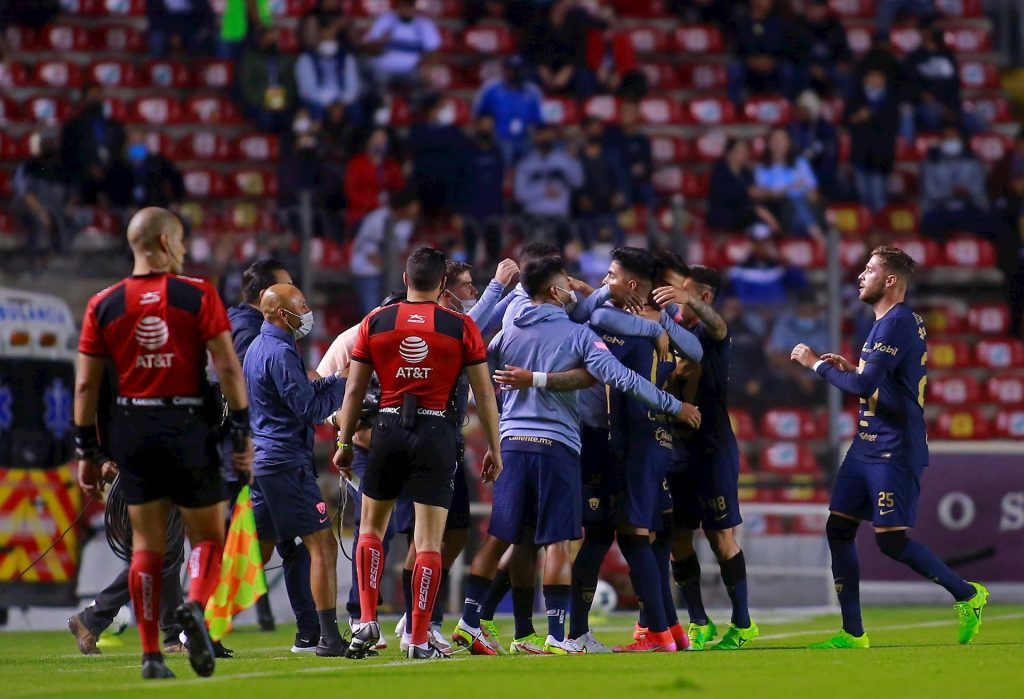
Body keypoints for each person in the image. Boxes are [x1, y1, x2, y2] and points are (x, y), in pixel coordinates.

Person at [473, 256, 696, 655]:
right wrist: (654, 331)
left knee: (525, 536)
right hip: (583, 439)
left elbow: (484, 351)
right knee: (570, 537)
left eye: (611, 275)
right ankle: (570, 633)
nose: (597, 282)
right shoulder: (588, 325)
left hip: (549, 437)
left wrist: (656, 321)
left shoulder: (526, 322)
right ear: (553, 288)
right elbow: (619, 370)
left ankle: (491, 624)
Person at [73, 207, 253, 680]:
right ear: (168, 243)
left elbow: (86, 388)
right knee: (208, 537)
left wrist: (86, 453)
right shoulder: (198, 295)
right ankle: (194, 605)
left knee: (148, 549)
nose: (187, 250)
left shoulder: (103, 304)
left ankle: (152, 655)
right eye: (183, 242)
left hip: (134, 431)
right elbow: (229, 368)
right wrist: (240, 431)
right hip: (187, 425)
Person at [790, 245, 989, 649]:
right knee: (839, 528)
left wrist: (816, 364)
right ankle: (852, 633)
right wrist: (855, 367)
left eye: (869, 269)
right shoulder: (891, 322)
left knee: (890, 540)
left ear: (890, 279)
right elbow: (878, 381)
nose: (860, 276)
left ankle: (969, 595)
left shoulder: (895, 323)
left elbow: (865, 388)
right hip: (866, 443)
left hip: (894, 446)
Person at [334, 246, 504, 660]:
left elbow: (354, 389)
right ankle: (419, 637)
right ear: (443, 284)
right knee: (429, 539)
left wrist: (343, 443)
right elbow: (483, 392)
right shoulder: (460, 325)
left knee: (372, 529)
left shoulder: (375, 321)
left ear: (406, 279)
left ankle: (366, 621)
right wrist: (495, 448)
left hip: (388, 427)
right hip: (436, 431)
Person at [390, 257, 518, 654]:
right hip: (417, 439)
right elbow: (477, 322)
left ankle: (421, 614)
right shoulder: (435, 325)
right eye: (467, 286)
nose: (474, 293)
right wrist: (499, 286)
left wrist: (517, 294)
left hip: (448, 442)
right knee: (422, 539)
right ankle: (416, 621)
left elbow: (484, 318)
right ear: (445, 291)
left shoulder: (458, 323)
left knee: (458, 531)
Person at [652, 264, 759, 651]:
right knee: (678, 537)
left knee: (719, 537)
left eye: (683, 291)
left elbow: (719, 327)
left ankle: (743, 623)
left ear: (704, 295)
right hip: (675, 448)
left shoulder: (711, 335)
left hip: (712, 447)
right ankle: (698, 621)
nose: (674, 297)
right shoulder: (668, 333)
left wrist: (688, 299)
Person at [243, 283, 348, 656]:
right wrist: (344, 384)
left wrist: (331, 381)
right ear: (280, 313)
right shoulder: (281, 351)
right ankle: (328, 638)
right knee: (322, 545)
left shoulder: (258, 347)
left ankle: (202, 624)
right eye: (301, 304)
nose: (307, 310)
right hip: (286, 462)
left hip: (265, 462)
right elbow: (308, 410)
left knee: (255, 550)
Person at [222, 259, 322, 649]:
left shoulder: (241, 329)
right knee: (312, 546)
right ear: (271, 299)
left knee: (258, 550)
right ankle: (316, 632)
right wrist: (327, 388)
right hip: (264, 454)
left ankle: (200, 623)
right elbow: (278, 394)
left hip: (254, 453)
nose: (301, 304)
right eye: (291, 293)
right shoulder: (259, 339)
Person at [68, 366, 185, 657]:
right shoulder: (114, 357)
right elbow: (89, 401)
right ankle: (93, 617)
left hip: (163, 460)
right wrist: (99, 456)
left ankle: (171, 633)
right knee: (161, 553)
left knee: (168, 551)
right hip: (140, 465)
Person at [349, 188, 420, 315]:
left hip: (389, 272)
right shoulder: (377, 219)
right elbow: (369, 253)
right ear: (404, 206)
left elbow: (400, 252)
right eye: (413, 206)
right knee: (371, 313)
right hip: (367, 270)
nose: (416, 209)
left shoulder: (407, 224)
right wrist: (392, 266)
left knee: (394, 310)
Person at [919, 122, 994, 240]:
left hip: (967, 206)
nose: (951, 140)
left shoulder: (972, 159)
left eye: (954, 137)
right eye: (947, 137)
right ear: (941, 140)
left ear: (961, 139)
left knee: (989, 222)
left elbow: (979, 189)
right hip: (940, 208)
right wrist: (950, 192)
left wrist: (967, 191)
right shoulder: (931, 160)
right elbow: (930, 192)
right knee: (929, 225)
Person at [513, 124, 582, 250]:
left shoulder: (565, 160)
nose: (545, 138)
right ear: (535, 138)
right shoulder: (527, 163)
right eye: (541, 135)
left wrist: (573, 160)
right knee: (537, 258)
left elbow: (577, 182)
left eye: (548, 135)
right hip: (535, 217)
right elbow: (519, 194)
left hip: (560, 218)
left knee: (560, 258)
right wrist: (543, 191)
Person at [10, 132, 70, 272]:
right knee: (37, 221)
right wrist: (41, 212)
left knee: (72, 218)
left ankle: (53, 256)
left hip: (52, 208)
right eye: (47, 145)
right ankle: (32, 262)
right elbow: (24, 193)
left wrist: (68, 205)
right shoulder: (28, 166)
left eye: (52, 145)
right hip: (28, 207)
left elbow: (68, 191)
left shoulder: (59, 168)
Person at [844, 68, 901, 213]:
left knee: (878, 196)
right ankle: (865, 232)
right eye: (873, 76)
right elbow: (846, 121)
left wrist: (872, 114)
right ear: (865, 79)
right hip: (860, 154)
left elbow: (892, 126)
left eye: (879, 77)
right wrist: (859, 117)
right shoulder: (856, 98)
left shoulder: (890, 100)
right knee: (862, 196)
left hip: (880, 157)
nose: (877, 80)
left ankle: (880, 231)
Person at [472, 55, 545, 166]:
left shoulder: (533, 91)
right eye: (511, 69)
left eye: (518, 69)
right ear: (504, 70)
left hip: (526, 138)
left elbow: (541, 120)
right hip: (498, 138)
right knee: (505, 149)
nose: (514, 72)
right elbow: (478, 114)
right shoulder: (491, 88)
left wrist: (536, 135)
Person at [754, 126, 824, 241]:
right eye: (775, 140)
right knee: (795, 201)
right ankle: (818, 237)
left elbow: (813, 191)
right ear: (769, 143)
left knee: (802, 203)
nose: (778, 143)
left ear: (788, 142)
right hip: (781, 213)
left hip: (806, 210)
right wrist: (791, 188)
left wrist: (803, 192)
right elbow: (768, 194)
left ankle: (814, 232)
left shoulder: (800, 163)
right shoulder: (762, 169)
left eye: (782, 140)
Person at [60, 83, 125, 201]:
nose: (95, 99)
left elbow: (119, 150)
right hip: (82, 178)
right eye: (92, 96)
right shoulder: (72, 126)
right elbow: (68, 153)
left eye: (98, 95)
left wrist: (105, 169)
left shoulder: (114, 126)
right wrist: (89, 167)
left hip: (109, 176)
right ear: (84, 99)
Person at [455, 115, 505, 265]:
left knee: (493, 246)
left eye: (489, 126)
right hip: (469, 207)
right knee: (468, 249)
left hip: (492, 206)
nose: (486, 130)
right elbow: (457, 180)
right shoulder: (466, 151)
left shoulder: (497, 152)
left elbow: (500, 181)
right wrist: (457, 209)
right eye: (483, 126)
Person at [727, 0, 797, 106]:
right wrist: (750, 60)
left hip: (773, 63)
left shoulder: (780, 21)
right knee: (734, 68)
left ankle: (786, 105)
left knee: (787, 69)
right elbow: (737, 47)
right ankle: (735, 106)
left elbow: (785, 47)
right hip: (748, 64)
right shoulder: (742, 21)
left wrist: (772, 60)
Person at [362, 0, 441, 93]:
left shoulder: (424, 24)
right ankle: (380, 105)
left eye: (410, 6)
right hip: (383, 68)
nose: (407, 9)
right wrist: (381, 42)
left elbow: (435, 52)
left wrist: (427, 67)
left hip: (410, 70)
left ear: (415, 7)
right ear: (398, 6)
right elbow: (369, 50)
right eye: (404, 5)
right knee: (374, 80)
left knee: (430, 85)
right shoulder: (386, 20)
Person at [706, 137, 779, 233]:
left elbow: (753, 192)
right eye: (741, 150)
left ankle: (770, 231)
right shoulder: (720, 171)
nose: (745, 153)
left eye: (746, 150)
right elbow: (728, 194)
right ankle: (776, 229)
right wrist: (749, 193)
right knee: (755, 210)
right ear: (729, 153)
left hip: (745, 211)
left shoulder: (746, 173)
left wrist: (767, 193)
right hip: (725, 213)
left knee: (773, 204)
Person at [103, 128, 185, 210]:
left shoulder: (157, 162)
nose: (137, 147)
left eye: (140, 143)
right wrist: (125, 207)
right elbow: (111, 191)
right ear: (126, 144)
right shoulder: (117, 166)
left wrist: (175, 201)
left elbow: (176, 178)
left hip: (154, 208)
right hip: (125, 211)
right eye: (134, 143)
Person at [294, 21, 360, 121]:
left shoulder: (347, 58)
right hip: (318, 100)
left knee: (356, 110)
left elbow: (353, 86)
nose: (328, 42)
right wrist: (329, 103)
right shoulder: (306, 59)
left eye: (331, 39)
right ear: (318, 39)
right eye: (324, 39)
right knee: (315, 111)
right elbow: (307, 90)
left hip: (342, 100)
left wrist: (340, 103)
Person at [343, 127, 406, 230]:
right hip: (363, 212)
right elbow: (351, 192)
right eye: (378, 140)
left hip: (390, 211)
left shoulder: (391, 164)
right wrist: (375, 204)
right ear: (369, 142)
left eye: (384, 141)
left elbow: (400, 187)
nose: (381, 143)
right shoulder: (356, 164)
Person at [238, 26, 297, 133]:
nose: (273, 41)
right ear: (261, 40)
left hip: (282, 100)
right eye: (269, 38)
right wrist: (265, 100)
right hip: (260, 101)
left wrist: (283, 100)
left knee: (288, 120)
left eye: (275, 39)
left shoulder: (286, 58)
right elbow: (246, 86)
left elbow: (291, 83)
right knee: (266, 121)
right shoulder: (250, 58)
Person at [789, 90, 840, 200]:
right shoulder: (793, 127)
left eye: (805, 110)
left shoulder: (826, 128)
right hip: (799, 176)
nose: (801, 113)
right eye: (799, 109)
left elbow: (830, 157)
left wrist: (817, 183)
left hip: (821, 175)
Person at [146, 0, 215, 58]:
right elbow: (154, 18)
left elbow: (207, 14)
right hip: (165, 26)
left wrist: (204, 31)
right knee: (157, 40)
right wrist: (171, 33)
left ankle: (196, 71)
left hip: (191, 27)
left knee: (204, 41)